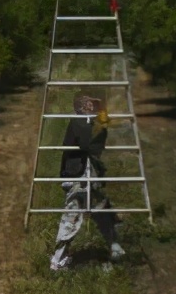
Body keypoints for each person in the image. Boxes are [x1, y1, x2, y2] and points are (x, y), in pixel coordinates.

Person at [49, 94, 125, 271]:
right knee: (72, 214)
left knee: (102, 212)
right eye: (90, 104)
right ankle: (57, 260)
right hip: (79, 175)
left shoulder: (89, 123)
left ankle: (116, 249)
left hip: (89, 175)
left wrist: (102, 125)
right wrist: (101, 125)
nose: (94, 106)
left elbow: (98, 147)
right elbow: (88, 145)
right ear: (82, 107)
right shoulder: (79, 122)